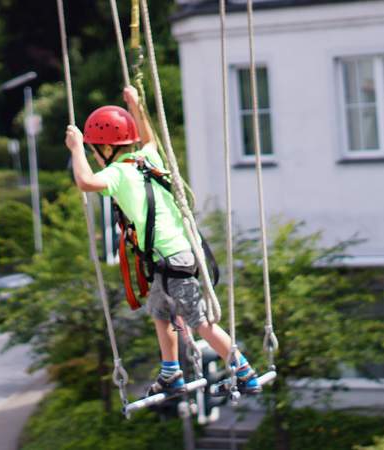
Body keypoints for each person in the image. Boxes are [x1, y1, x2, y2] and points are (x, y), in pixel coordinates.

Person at [64, 86, 261, 398]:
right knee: (160, 312)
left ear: (104, 148)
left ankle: (244, 371)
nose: (93, 155)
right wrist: (137, 106)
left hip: (171, 259)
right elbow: (150, 137)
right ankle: (171, 372)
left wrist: (75, 148)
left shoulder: (117, 173)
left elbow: (85, 181)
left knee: (201, 323)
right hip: (176, 257)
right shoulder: (146, 158)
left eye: (93, 150)